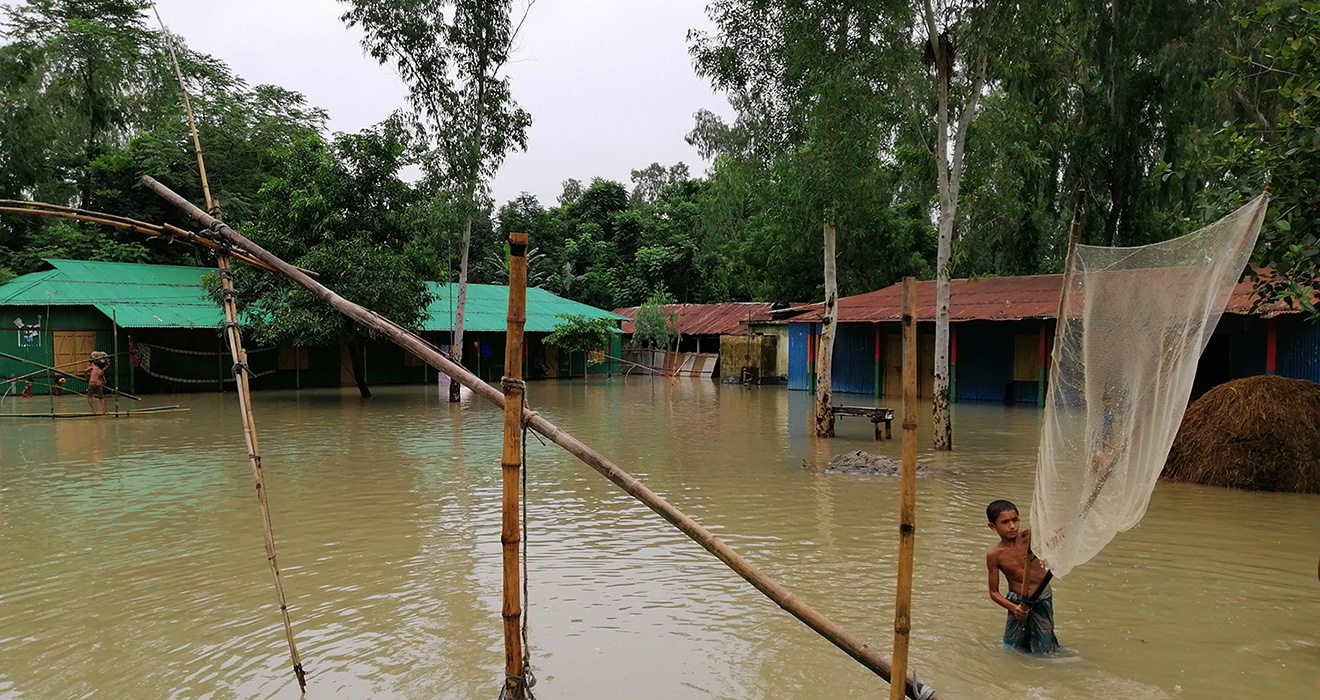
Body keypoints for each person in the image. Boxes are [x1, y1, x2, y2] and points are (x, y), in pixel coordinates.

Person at [985, 499, 1059, 655]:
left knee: (1045, 648)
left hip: (1041, 597)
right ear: (993, 527)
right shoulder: (994, 555)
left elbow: (1058, 531)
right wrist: (1014, 608)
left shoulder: (1030, 538)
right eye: (1005, 522)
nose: (1012, 526)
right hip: (1017, 601)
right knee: (1012, 647)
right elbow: (993, 593)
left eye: (1015, 520)